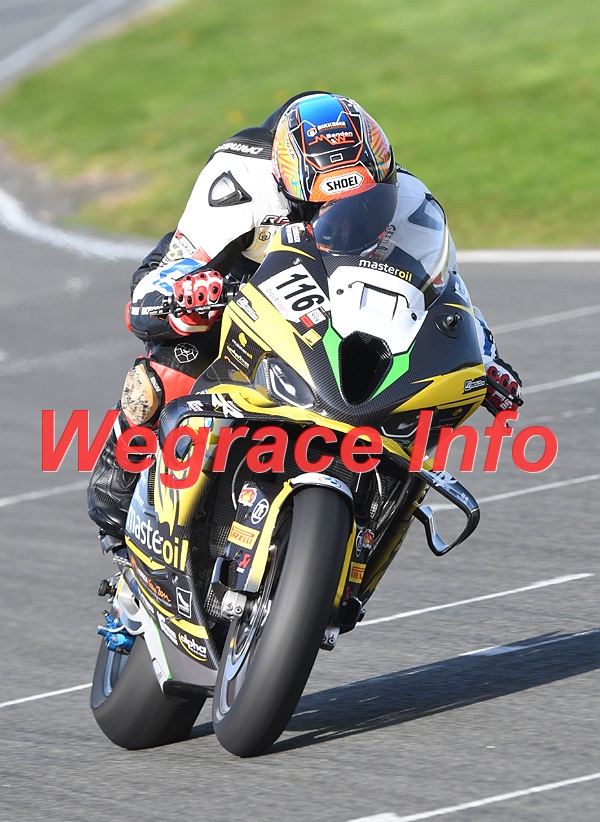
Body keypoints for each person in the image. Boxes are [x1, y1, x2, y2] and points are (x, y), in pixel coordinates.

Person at [88, 91, 522, 542]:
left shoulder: (412, 202)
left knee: (411, 408)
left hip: (336, 295)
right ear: (289, 188)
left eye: (364, 202)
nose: (346, 218)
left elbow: (445, 291)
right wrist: (186, 294)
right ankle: (118, 491)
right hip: (237, 277)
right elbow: (154, 288)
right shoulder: (238, 181)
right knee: (174, 366)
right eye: (326, 207)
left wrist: (485, 355)